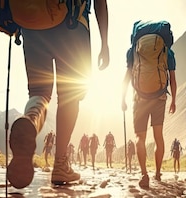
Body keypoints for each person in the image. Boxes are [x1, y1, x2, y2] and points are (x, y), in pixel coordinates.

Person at [6, 0, 109, 188]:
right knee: (70, 95)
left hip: (32, 22)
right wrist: (105, 42)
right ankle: (61, 164)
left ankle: (30, 120)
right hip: (72, 22)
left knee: (39, 93)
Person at [121, 22, 177, 189]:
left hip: (139, 98)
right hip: (159, 97)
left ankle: (144, 174)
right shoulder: (168, 51)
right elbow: (172, 79)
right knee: (158, 136)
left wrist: (122, 98)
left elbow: (127, 76)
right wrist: (173, 99)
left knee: (140, 138)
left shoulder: (132, 51)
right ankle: (158, 172)